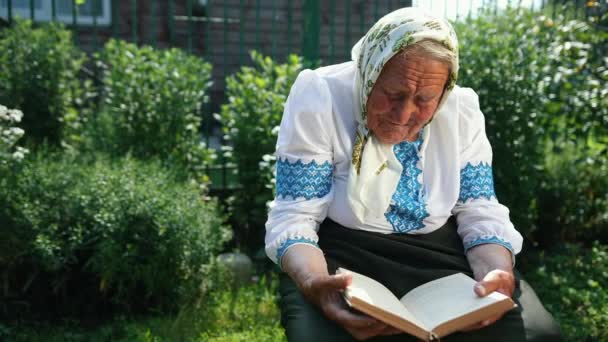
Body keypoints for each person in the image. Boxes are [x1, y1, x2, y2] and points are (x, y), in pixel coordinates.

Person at [264, 7, 562, 341]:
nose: (405, 113)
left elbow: (479, 208)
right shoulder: (322, 97)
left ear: (444, 91)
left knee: (536, 334)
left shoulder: (460, 109)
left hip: (442, 254)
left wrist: (496, 274)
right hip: (343, 255)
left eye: (423, 99)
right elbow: (295, 215)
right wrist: (314, 283)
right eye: (393, 95)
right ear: (369, 73)